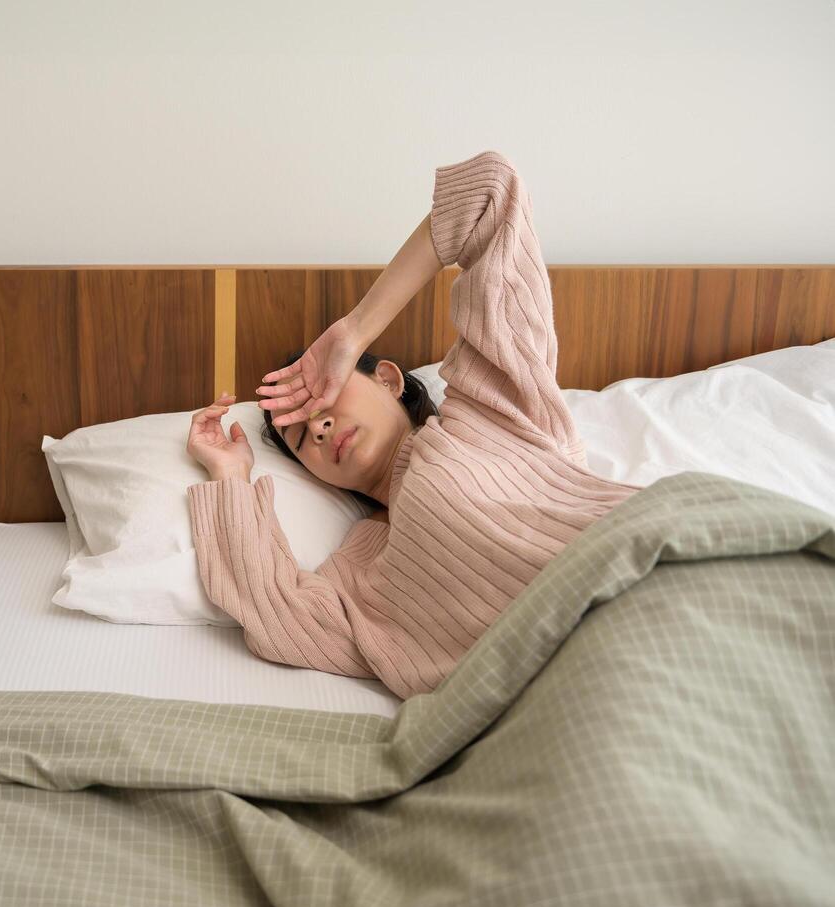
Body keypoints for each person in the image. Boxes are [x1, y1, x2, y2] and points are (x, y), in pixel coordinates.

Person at [184, 150, 643, 699]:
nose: (323, 429)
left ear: (388, 379)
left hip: (654, 576)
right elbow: (280, 616)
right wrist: (229, 475)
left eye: (325, 399)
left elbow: (490, 193)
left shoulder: (494, 413)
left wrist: (354, 330)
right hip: (585, 689)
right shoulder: (363, 568)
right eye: (304, 437)